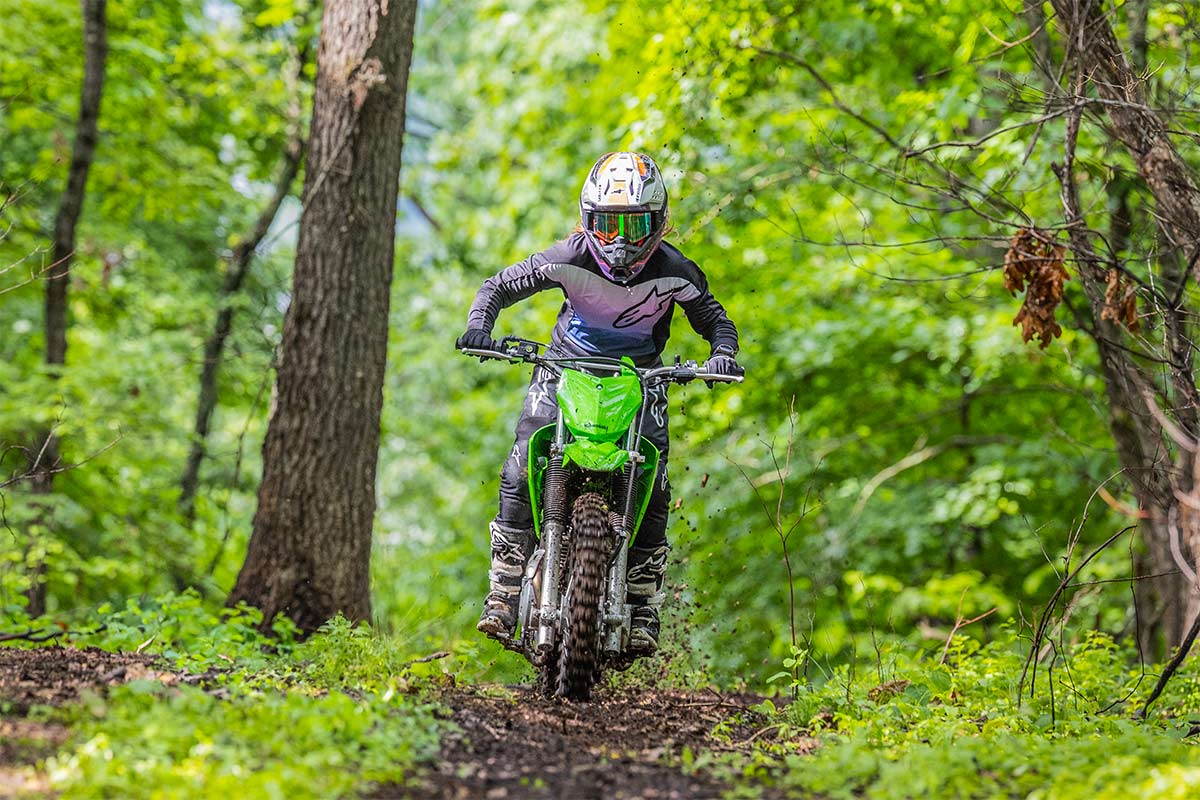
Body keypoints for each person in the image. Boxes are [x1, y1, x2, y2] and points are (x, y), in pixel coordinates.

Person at [456, 151, 741, 654]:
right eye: (608, 225)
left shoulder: (676, 270)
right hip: (564, 370)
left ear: (659, 222)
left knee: (653, 481)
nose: (621, 241)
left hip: (641, 379)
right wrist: (479, 326)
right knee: (521, 465)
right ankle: (504, 588)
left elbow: (715, 320)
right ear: (588, 220)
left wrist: (723, 355)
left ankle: (643, 601)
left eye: (635, 225)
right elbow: (498, 286)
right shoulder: (568, 257)